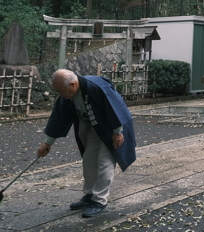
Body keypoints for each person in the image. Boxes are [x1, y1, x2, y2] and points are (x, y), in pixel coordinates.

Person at [37, 69, 136, 218]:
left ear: (72, 84)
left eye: (61, 90)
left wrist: (118, 132)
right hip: (96, 128)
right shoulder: (68, 94)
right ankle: (89, 195)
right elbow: (59, 117)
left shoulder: (95, 86)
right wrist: (48, 142)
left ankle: (100, 201)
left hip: (113, 128)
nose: (60, 94)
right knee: (89, 159)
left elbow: (116, 108)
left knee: (105, 162)